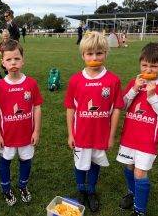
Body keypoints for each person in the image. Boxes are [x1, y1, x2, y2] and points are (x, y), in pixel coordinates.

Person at [64, 31, 124, 213]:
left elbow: (116, 109)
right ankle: (81, 190)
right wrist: (70, 134)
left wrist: (111, 136)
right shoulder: (76, 80)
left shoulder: (113, 80)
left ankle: (91, 191)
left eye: (99, 53)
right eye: (89, 53)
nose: (94, 57)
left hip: (101, 134)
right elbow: (70, 109)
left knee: (96, 162)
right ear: (83, 55)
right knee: (80, 163)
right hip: (81, 134)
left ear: (106, 53)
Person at [116, 43, 158, 216]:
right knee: (129, 167)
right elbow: (123, 105)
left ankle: (139, 210)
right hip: (129, 137)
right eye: (145, 65)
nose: (148, 69)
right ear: (140, 64)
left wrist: (152, 96)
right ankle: (132, 192)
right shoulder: (135, 82)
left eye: (154, 66)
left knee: (140, 173)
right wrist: (134, 89)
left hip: (147, 140)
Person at [0, 39, 43, 206]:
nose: (13, 62)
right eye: (9, 59)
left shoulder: (31, 83)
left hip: (27, 135)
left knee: (26, 161)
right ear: (3, 63)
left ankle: (22, 186)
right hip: (7, 136)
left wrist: (36, 131)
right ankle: (6, 189)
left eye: (17, 58)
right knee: (5, 162)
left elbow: (37, 108)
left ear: (23, 60)